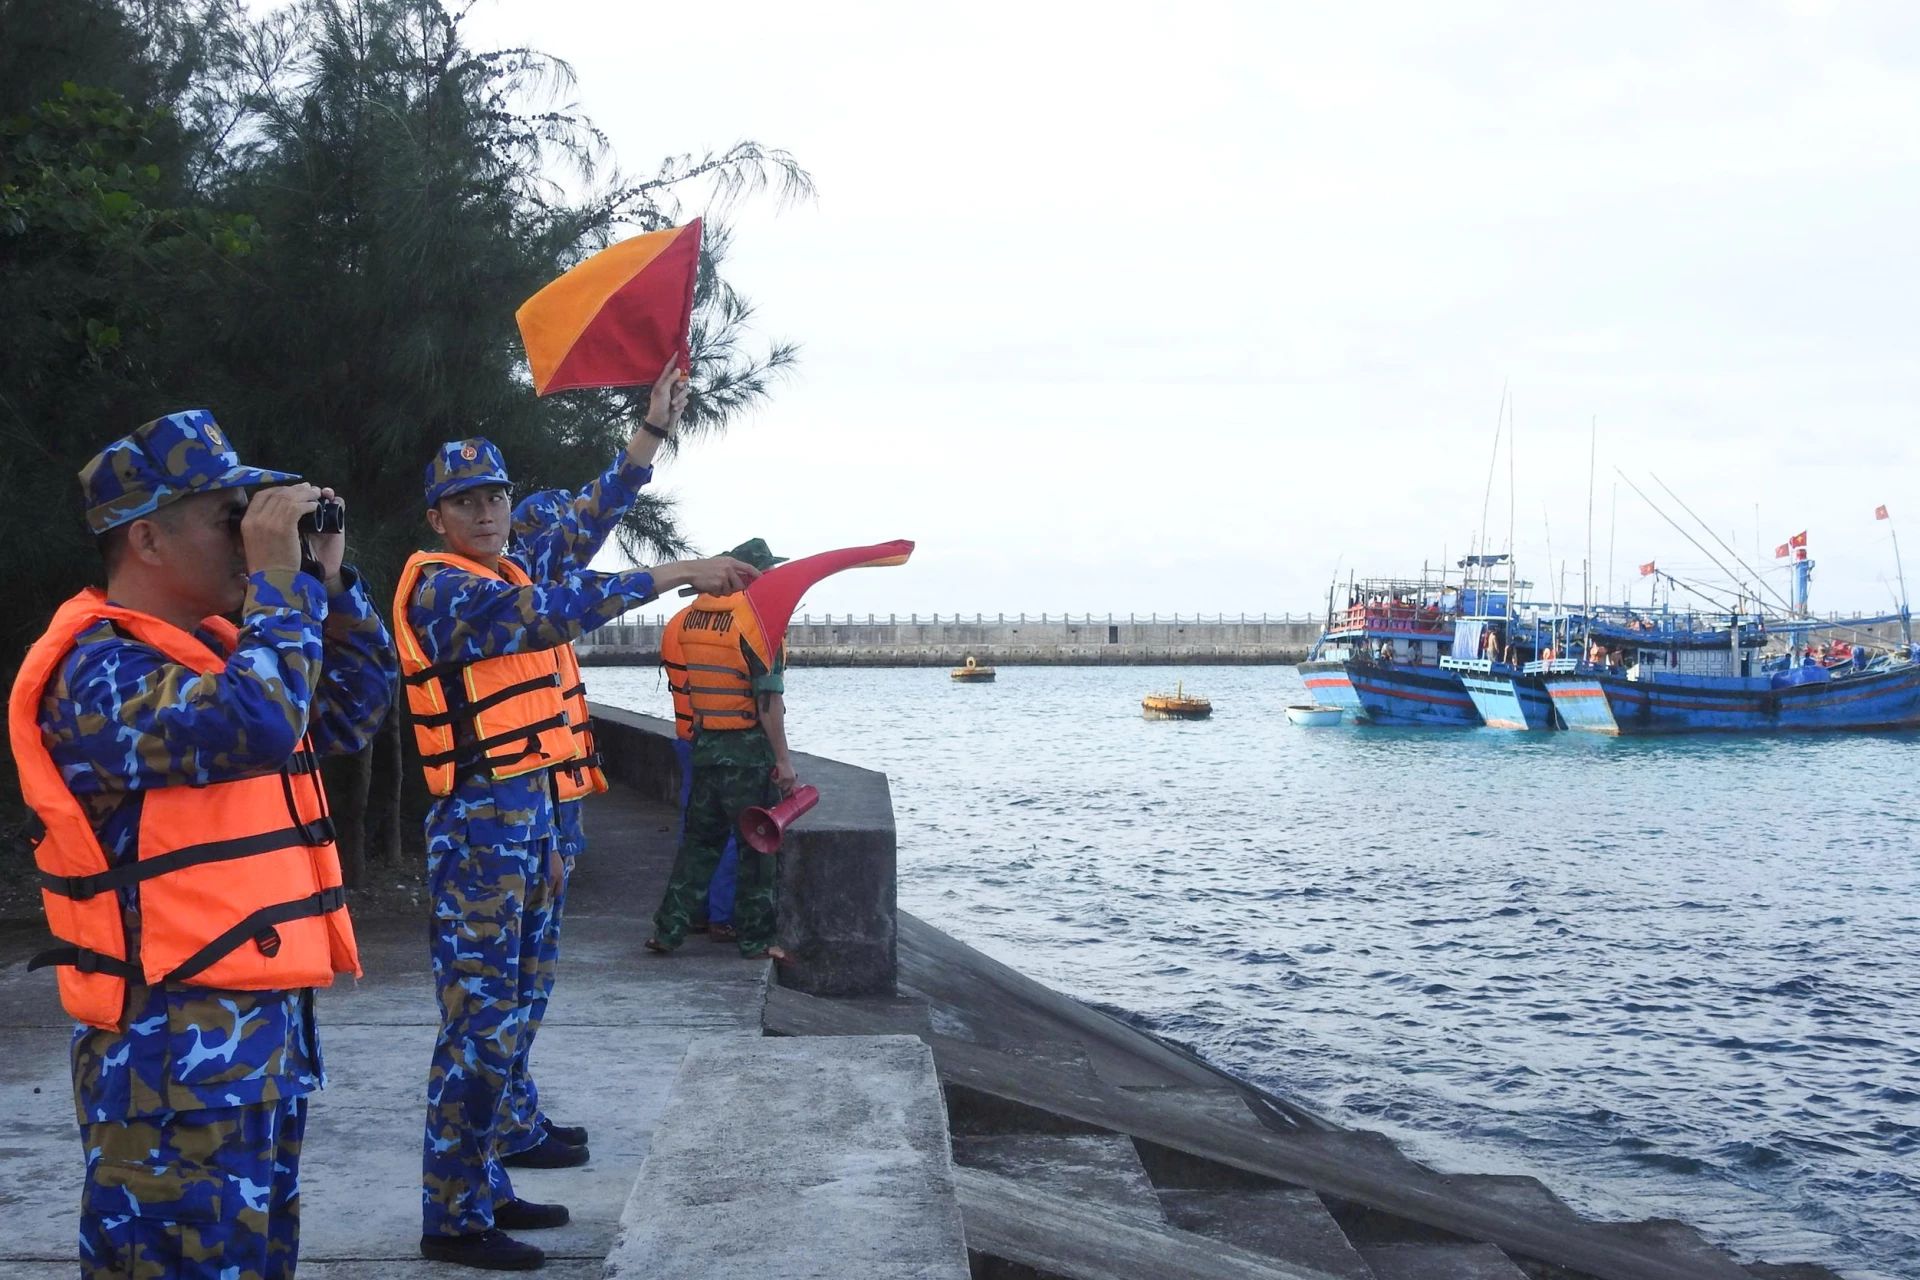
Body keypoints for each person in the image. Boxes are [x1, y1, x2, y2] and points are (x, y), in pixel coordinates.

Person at [9, 410, 396, 1280]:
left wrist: (331, 588)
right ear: (145, 537)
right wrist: (282, 587)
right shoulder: (99, 672)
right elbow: (256, 725)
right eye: (230, 516)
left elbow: (348, 711)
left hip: (254, 1056)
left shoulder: (227, 651)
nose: (249, 537)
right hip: (164, 1069)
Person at [394, 359, 758, 1271]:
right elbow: (553, 611)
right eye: (466, 503)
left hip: (529, 821)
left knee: (513, 1010)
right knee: (477, 1024)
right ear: (437, 517)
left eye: (496, 499)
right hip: (480, 829)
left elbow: (591, 511)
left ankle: (489, 1184)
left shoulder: (510, 551)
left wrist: (652, 430)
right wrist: (679, 570)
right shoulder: (446, 590)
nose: (487, 513)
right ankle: (452, 1216)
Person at [490, 489, 615, 1174]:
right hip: (523, 827)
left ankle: (518, 1106)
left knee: (531, 988)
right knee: (514, 991)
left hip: (551, 819)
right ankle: (507, 1122)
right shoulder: (517, 618)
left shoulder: (546, 627)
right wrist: (557, 843)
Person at [648, 538, 800, 961]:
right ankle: (756, 940)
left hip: (705, 745)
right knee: (757, 851)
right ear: (750, 577)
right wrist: (784, 762)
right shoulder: (758, 626)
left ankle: (668, 929)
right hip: (748, 755)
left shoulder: (692, 619)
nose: (770, 579)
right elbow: (768, 702)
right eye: (765, 572)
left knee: (698, 845)